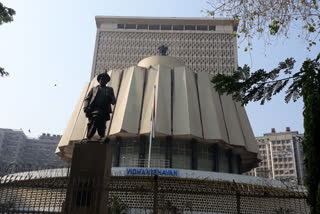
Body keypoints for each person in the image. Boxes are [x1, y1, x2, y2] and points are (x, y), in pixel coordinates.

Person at [83, 72, 116, 139]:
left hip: (104, 110)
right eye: (101, 79)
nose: (103, 81)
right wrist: (85, 107)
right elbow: (87, 99)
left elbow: (113, 101)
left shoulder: (109, 89)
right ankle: (89, 136)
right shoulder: (93, 89)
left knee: (102, 124)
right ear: (99, 80)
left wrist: (110, 97)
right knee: (93, 121)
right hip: (94, 109)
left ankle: (101, 136)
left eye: (105, 80)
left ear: (107, 81)